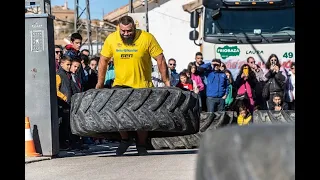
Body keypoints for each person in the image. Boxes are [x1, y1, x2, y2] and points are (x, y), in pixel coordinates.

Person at [95, 15, 170, 156]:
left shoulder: (147, 38)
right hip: (120, 84)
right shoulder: (112, 38)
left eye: (129, 31)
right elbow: (103, 60)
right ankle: (125, 139)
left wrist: (166, 82)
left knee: (142, 118)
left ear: (134, 27)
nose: (126, 34)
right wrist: (100, 83)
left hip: (142, 85)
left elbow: (160, 59)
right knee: (117, 114)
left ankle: (141, 144)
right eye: (123, 31)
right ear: (119, 28)